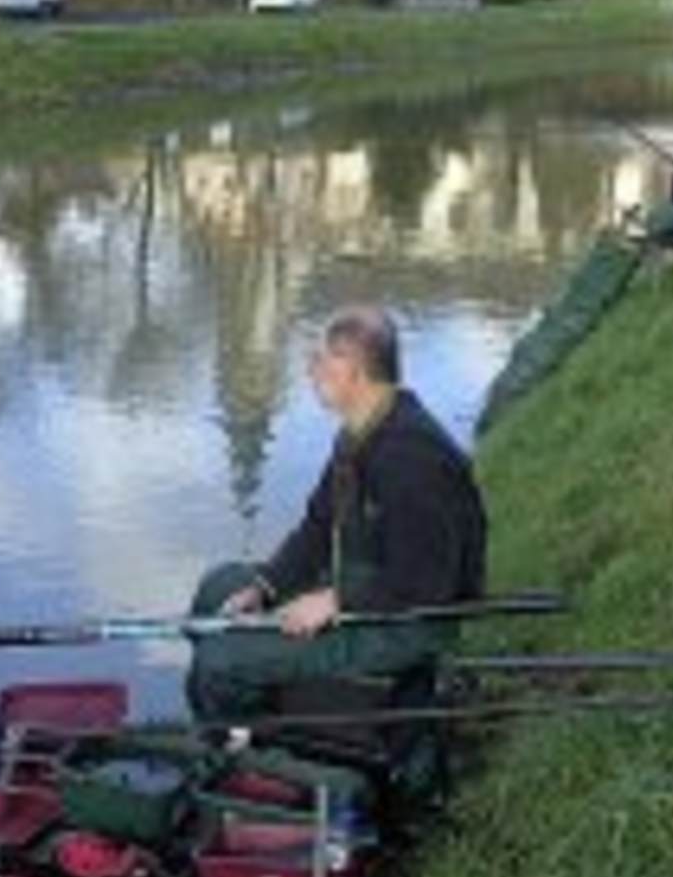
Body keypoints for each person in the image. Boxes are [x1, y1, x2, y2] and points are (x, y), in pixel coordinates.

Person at [185, 307, 489, 722]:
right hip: (366, 592)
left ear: (355, 368)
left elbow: (426, 581)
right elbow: (317, 529)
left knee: (220, 659)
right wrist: (266, 587)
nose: (311, 370)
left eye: (322, 358)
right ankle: (245, 701)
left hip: (405, 627)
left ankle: (245, 750)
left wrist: (335, 600)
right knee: (218, 588)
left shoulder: (410, 456)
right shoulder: (357, 434)